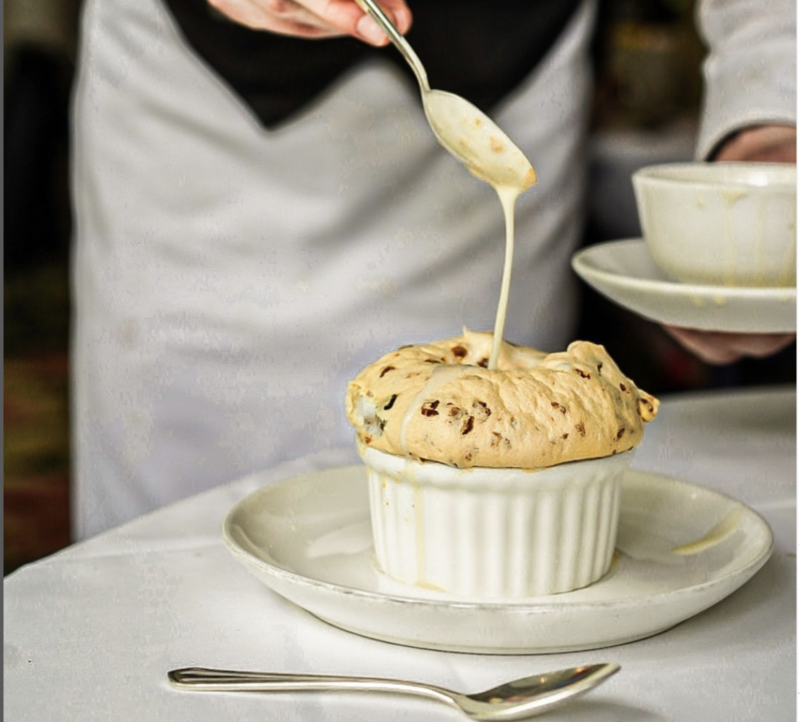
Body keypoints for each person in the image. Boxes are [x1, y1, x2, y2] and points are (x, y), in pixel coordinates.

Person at [70, 0, 796, 539]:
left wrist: (774, 114)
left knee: (495, 517)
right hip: (197, 125)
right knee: (178, 547)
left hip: (509, 88)